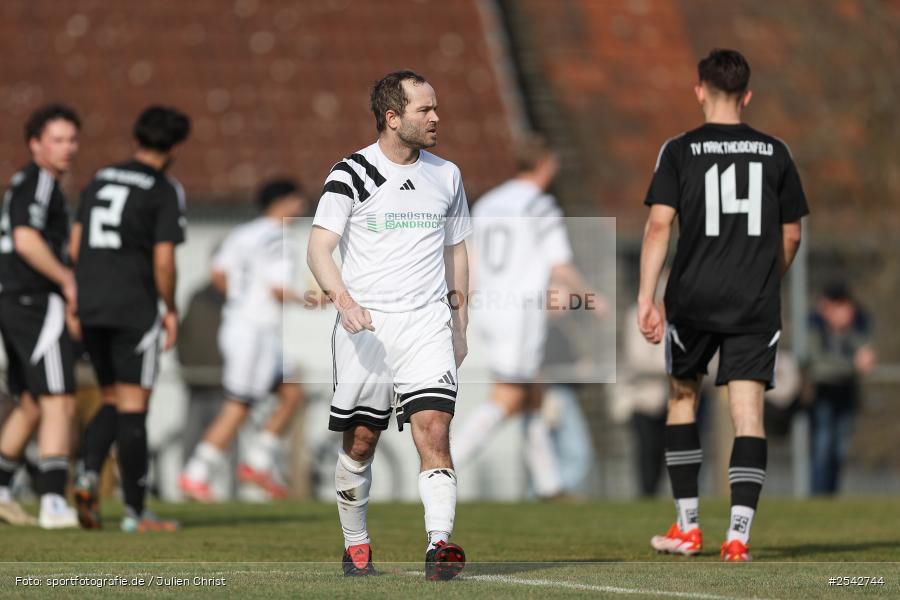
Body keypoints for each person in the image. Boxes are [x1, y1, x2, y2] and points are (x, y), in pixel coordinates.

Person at [638, 49, 809, 562]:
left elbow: (659, 225)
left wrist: (646, 298)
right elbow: (793, 232)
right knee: (748, 413)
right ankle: (738, 537)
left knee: (682, 400)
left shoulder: (679, 149)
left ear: (700, 91)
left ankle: (689, 528)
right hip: (754, 305)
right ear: (747, 95)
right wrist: (765, 277)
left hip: (692, 299)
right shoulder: (776, 152)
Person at [307, 70, 470, 580]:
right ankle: (356, 544)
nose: (436, 117)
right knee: (360, 442)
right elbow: (318, 248)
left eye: (435, 107)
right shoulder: (352, 172)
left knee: (434, 430)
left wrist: (459, 322)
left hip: (426, 326)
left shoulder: (448, 175)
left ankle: (439, 546)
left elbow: (457, 249)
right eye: (425, 110)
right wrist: (345, 302)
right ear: (392, 117)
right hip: (368, 331)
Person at [452, 134, 598, 499]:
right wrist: (591, 297)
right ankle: (444, 466)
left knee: (532, 390)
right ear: (546, 164)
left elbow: (471, 260)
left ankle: (550, 486)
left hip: (490, 308)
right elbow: (559, 263)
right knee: (508, 397)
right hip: (519, 314)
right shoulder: (540, 205)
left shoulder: (488, 203)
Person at [69, 106, 190, 532]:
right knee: (135, 406)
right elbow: (163, 260)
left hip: (91, 304)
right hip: (132, 307)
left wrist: (75, 298)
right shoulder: (163, 189)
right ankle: (137, 513)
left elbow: (76, 244)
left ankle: (85, 477)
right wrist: (169, 307)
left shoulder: (100, 177)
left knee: (111, 399)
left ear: (136, 137)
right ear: (176, 146)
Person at [180, 179, 306, 502]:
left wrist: (239, 300)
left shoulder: (242, 233)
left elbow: (218, 273)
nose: (301, 207)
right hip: (253, 332)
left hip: (245, 328)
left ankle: (257, 463)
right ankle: (196, 473)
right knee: (239, 406)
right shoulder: (279, 237)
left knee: (292, 392)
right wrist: (317, 298)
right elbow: (277, 288)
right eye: (298, 200)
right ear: (284, 201)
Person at [0, 104, 82, 528]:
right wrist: (67, 280)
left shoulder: (25, 182)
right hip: (34, 300)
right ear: (35, 144)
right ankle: (52, 501)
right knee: (59, 399)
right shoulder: (41, 182)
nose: (67, 148)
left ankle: (0, 490)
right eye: (57, 139)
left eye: (72, 140)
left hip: (12, 299)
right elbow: (26, 238)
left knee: (30, 402)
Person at [807, 282, 875, 495]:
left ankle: (831, 496)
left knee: (840, 449)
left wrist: (846, 330)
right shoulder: (814, 325)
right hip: (822, 394)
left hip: (847, 393)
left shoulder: (859, 323)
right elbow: (817, 364)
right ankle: (819, 496)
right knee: (822, 447)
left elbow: (865, 355)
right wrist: (851, 365)